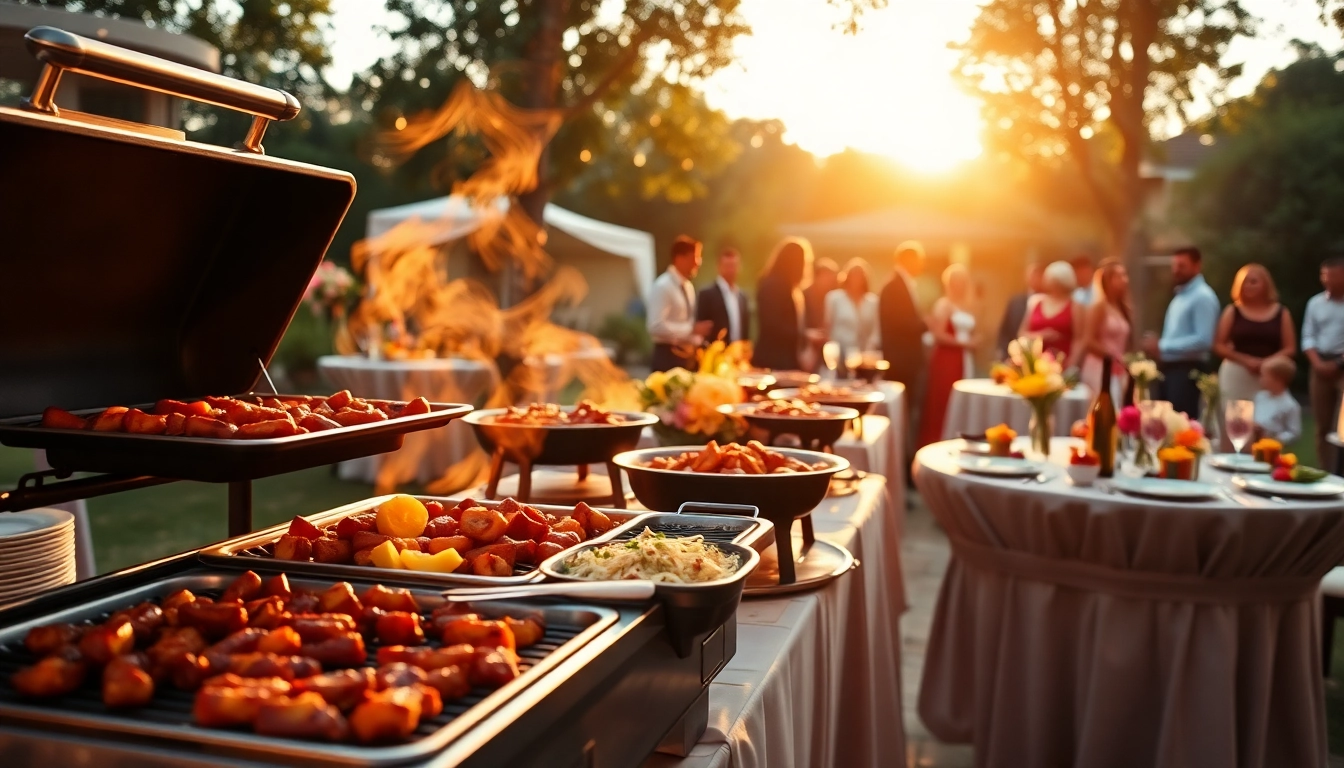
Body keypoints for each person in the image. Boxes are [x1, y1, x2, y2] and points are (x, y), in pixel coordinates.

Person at [1141, 247, 1221, 418]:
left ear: (1197, 266)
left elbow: (1204, 340)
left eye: (1182, 265)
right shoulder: (1180, 296)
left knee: (1180, 425)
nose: (1176, 270)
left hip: (1187, 372)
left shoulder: (1202, 297)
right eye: (1174, 265)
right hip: (1170, 371)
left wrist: (1161, 345)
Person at [1212, 263, 1296, 406]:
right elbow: (1219, 345)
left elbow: (1290, 348)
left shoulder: (1282, 313)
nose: (1248, 286)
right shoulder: (1232, 311)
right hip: (1236, 374)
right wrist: (1246, 360)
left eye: (1254, 282)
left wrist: (1267, 363)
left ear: (1266, 285)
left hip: (1270, 376)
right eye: (1244, 282)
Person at [917, 263, 978, 448]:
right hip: (947, 359)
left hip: (964, 358)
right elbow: (938, 334)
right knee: (944, 400)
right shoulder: (944, 304)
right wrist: (964, 343)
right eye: (956, 281)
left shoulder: (967, 305)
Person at [1302, 257, 1344, 467]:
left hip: (1341, 365)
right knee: (1322, 424)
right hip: (1319, 365)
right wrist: (1317, 363)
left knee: (1342, 425)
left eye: (1333, 275)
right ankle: (1326, 471)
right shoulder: (1315, 303)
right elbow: (1308, 336)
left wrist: (1337, 364)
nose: (1327, 280)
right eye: (1324, 275)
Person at [647, 235, 712, 372]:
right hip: (666, 358)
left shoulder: (688, 286)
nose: (698, 262)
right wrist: (691, 330)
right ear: (679, 258)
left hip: (686, 358)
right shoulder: (662, 286)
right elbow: (655, 326)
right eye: (694, 257)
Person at [752, 237, 814, 370]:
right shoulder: (773, 286)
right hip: (773, 361)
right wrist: (805, 335)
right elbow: (772, 324)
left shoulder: (790, 288)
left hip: (785, 361)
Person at [1079, 259, 1132, 403]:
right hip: (1099, 368)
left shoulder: (1122, 309)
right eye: (1119, 276)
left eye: (1125, 275)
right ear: (1108, 280)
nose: (1125, 280)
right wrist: (1111, 356)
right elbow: (1088, 340)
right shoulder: (1098, 307)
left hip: (1118, 369)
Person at [880, 241, 927, 392]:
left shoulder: (903, 285)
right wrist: (925, 324)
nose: (921, 265)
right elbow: (898, 322)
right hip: (900, 361)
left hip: (906, 360)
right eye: (919, 260)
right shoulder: (894, 287)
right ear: (908, 260)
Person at [1017, 261, 1083, 367]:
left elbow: (1079, 339)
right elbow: (1022, 333)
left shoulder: (1075, 306)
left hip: (1062, 363)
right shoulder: (1036, 302)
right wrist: (1042, 335)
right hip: (1034, 363)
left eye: (1058, 282)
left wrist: (1072, 363)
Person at [824, 258, 880, 364]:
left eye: (860, 277)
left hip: (864, 356)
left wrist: (868, 352)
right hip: (839, 355)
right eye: (854, 276)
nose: (857, 280)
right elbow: (828, 326)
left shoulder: (873, 302)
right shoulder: (834, 298)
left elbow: (876, 331)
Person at [696, 247, 751, 344]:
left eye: (734, 266)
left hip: (737, 353)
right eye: (728, 266)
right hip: (715, 354)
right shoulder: (707, 295)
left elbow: (745, 331)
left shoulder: (742, 297)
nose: (731, 270)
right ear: (719, 267)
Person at [996, 262, 1044, 359]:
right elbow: (1005, 329)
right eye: (1033, 275)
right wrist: (1002, 350)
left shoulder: (1046, 302)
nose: (1035, 278)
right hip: (1014, 355)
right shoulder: (1015, 302)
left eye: (1038, 275)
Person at [1253, 355, 1303, 447]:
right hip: (1253, 443)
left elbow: (1294, 433)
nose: (1261, 379)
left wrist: (1275, 439)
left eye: (1264, 376)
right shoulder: (1260, 397)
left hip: (1273, 448)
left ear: (1278, 380)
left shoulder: (1290, 405)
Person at [803, 257, 839, 331]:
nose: (830, 280)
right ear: (817, 276)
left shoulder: (833, 297)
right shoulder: (804, 296)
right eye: (827, 276)